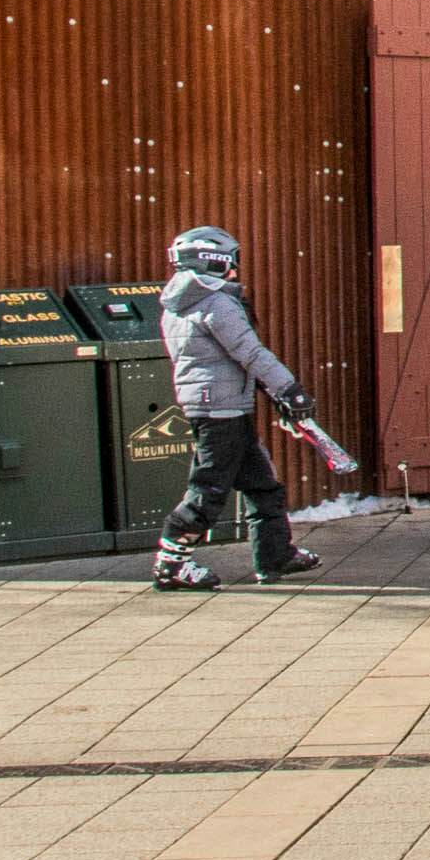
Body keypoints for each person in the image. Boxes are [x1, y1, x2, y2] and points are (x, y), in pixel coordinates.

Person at [153, 225, 323, 592]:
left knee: (263, 485)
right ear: (214, 262)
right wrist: (289, 389)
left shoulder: (180, 302)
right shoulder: (216, 303)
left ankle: (276, 554)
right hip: (220, 413)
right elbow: (250, 353)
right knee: (209, 491)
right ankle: (171, 564)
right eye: (232, 261)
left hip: (222, 408)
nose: (235, 270)